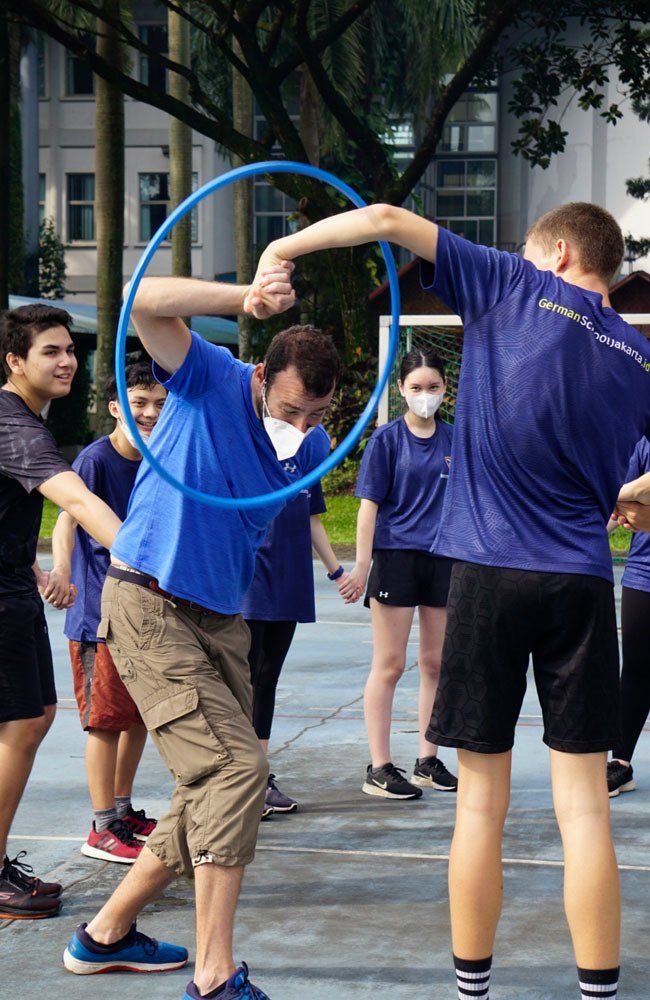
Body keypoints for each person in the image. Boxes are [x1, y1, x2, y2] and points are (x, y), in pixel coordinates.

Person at [253, 201, 650, 1000]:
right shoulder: (638, 359)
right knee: (584, 811)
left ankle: (473, 989)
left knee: (480, 806)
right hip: (579, 580)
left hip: (489, 573)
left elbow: (388, 217)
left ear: (560, 253)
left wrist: (283, 245)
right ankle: (600, 992)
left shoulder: (511, 283)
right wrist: (634, 492)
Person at [62, 274, 341, 1000]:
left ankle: (105, 934)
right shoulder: (208, 377)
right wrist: (242, 297)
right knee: (237, 772)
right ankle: (215, 975)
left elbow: (306, 504)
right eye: (289, 409)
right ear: (259, 377)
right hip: (149, 600)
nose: (300, 426)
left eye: (315, 414)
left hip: (223, 620)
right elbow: (142, 300)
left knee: (210, 785)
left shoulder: (309, 450)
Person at [0, 304, 122, 919]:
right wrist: (139, 554)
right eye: (50, 351)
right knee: (22, 724)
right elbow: (73, 495)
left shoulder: (22, 418)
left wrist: (35, 569)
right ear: (14, 361)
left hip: (13, 589)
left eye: (69, 349)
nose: (67, 359)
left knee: (33, 717)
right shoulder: (14, 423)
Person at [48, 364, 167, 863]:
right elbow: (65, 521)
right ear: (117, 405)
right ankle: (100, 827)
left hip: (141, 612)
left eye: (160, 404)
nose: (151, 413)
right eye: (140, 402)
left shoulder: (160, 459)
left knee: (136, 716)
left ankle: (121, 809)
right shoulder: (96, 461)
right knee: (104, 723)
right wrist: (60, 570)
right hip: (97, 616)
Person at [341, 348, 456, 800]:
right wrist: (363, 565)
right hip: (396, 559)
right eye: (416, 388)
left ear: (445, 389)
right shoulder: (386, 441)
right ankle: (379, 766)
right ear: (401, 391)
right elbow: (367, 509)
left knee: (436, 663)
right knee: (389, 665)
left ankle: (428, 759)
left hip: (443, 559)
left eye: (433, 387)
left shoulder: (456, 439)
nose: (425, 395)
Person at [242, 429, 351, 816]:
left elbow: (311, 520)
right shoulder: (246, 445)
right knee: (245, 678)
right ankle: (242, 779)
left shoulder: (306, 456)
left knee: (267, 676)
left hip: (290, 581)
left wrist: (338, 573)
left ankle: (259, 775)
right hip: (252, 581)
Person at [607, 437, 650, 797]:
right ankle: (620, 762)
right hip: (644, 571)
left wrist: (635, 490)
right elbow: (620, 507)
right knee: (636, 668)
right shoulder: (643, 443)